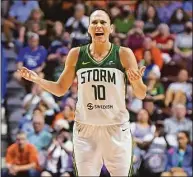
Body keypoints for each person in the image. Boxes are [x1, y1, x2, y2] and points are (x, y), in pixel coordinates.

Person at [18, 9, 147, 176]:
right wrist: (38, 80)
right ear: (88, 28)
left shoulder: (123, 54)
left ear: (111, 28)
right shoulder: (77, 54)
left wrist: (136, 81)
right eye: (94, 22)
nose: (98, 25)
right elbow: (60, 89)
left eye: (103, 22)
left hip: (116, 128)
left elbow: (141, 94)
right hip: (86, 130)